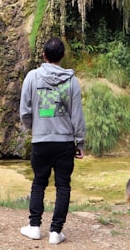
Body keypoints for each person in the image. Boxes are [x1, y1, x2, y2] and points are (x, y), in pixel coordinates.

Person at [19, 37, 86, 245]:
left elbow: (25, 111)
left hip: (41, 140)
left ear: (43, 55)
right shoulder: (71, 81)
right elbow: (77, 115)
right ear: (62, 56)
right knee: (63, 186)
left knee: (39, 183)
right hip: (65, 142)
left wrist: (35, 128)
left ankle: (35, 227)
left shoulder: (32, 77)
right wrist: (80, 142)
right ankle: (56, 232)